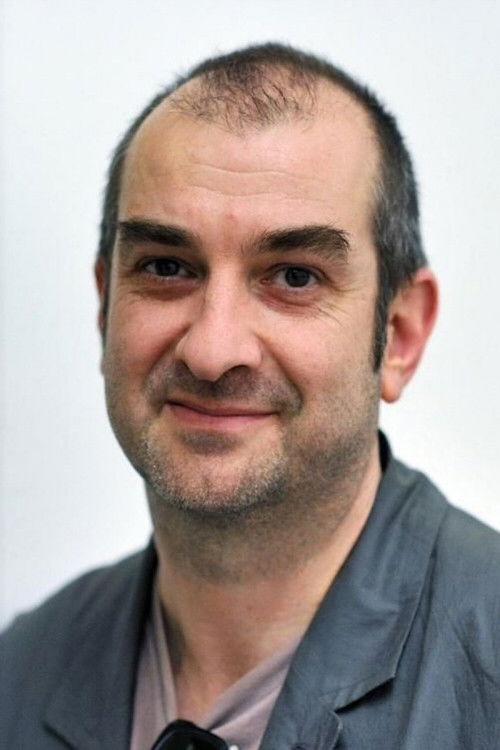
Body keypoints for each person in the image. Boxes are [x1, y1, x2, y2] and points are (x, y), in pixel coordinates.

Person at [1, 42, 499, 750]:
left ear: (399, 334)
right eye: (166, 267)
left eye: (294, 277)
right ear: (105, 305)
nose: (213, 350)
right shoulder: (19, 675)